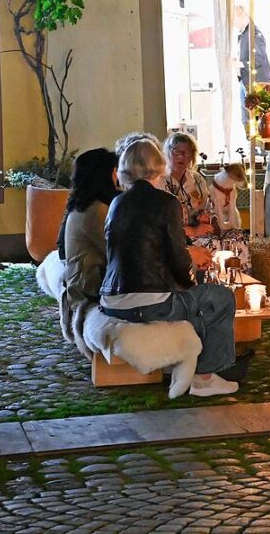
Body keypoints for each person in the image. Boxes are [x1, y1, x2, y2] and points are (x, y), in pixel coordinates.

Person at [100, 139, 239, 397]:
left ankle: (190, 365)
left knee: (199, 297)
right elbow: (177, 262)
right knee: (220, 297)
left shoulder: (117, 204)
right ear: (158, 166)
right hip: (151, 301)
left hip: (111, 299)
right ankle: (205, 377)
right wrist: (192, 277)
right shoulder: (167, 202)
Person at [56, 148, 119, 346]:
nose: (119, 176)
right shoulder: (96, 211)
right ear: (105, 174)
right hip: (89, 285)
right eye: (116, 170)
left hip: (85, 279)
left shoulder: (84, 204)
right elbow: (117, 252)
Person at [163, 132, 251, 270]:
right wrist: (193, 230)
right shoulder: (161, 181)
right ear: (168, 152)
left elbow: (210, 206)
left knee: (238, 237)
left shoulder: (197, 179)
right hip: (179, 236)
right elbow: (162, 224)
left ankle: (241, 283)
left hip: (203, 230)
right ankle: (213, 285)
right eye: (177, 151)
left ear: (192, 156)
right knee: (213, 244)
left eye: (187, 152)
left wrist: (207, 217)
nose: (181, 156)